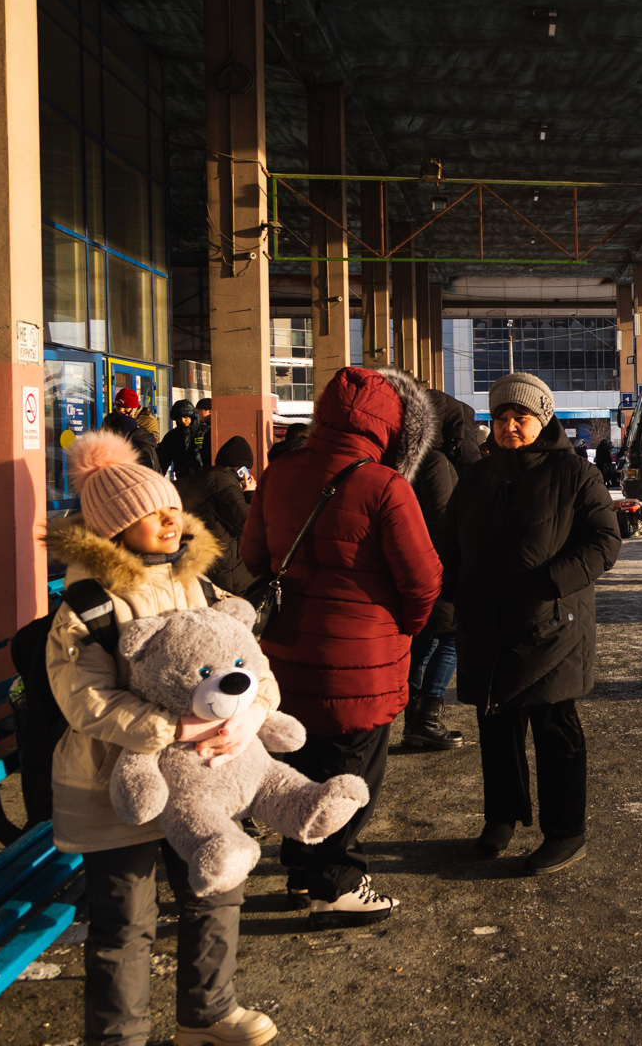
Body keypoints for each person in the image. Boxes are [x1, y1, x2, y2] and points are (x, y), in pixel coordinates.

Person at [45, 430, 280, 1046]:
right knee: (125, 921)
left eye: (173, 506)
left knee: (217, 892)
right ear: (116, 528)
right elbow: (85, 699)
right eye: (151, 512)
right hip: (110, 787)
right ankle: (119, 1037)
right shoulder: (89, 606)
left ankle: (206, 1015)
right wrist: (175, 726)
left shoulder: (202, 586)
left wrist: (255, 711)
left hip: (200, 781)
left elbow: (251, 665)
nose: (170, 519)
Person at [241, 366, 440, 926]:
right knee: (351, 777)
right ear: (390, 427)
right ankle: (338, 883)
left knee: (296, 767)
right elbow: (423, 579)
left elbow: (253, 557)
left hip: (286, 656)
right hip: (360, 664)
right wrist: (402, 626)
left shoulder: (278, 473)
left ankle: (301, 874)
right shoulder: (383, 485)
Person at [435, 372, 620, 875]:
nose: (510, 426)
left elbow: (605, 542)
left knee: (555, 730)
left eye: (521, 417)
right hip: (487, 623)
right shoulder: (477, 475)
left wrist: (550, 583)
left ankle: (565, 833)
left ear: (544, 418)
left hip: (552, 627)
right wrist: (458, 589)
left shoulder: (576, 474)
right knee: (496, 725)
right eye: (501, 417)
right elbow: (448, 540)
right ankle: (502, 819)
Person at [399, 395, 472, 751]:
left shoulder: (402, 458)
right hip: (438, 567)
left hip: (408, 564)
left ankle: (410, 718)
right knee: (449, 637)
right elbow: (445, 519)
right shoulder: (436, 462)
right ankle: (425, 720)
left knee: (422, 640)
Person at [174, 436, 258, 596]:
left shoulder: (201, 478)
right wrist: (250, 494)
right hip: (226, 568)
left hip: (195, 562)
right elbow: (249, 524)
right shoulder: (226, 487)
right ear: (241, 469)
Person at [101, 389, 162, 474]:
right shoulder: (110, 419)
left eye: (125, 407)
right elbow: (102, 439)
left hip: (139, 464)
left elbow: (152, 441)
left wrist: (131, 426)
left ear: (134, 408)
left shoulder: (147, 420)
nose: (121, 410)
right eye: (118, 406)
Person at [157, 400, 204, 480]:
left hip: (203, 479)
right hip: (183, 478)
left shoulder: (204, 432)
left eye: (185, 417)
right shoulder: (172, 436)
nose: (182, 420)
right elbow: (162, 460)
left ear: (192, 416)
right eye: (179, 418)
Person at [193, 399, 214, 469]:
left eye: (199, 411)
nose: (198, 414)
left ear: (209, 411)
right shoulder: (200, 428)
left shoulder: (213, 429)